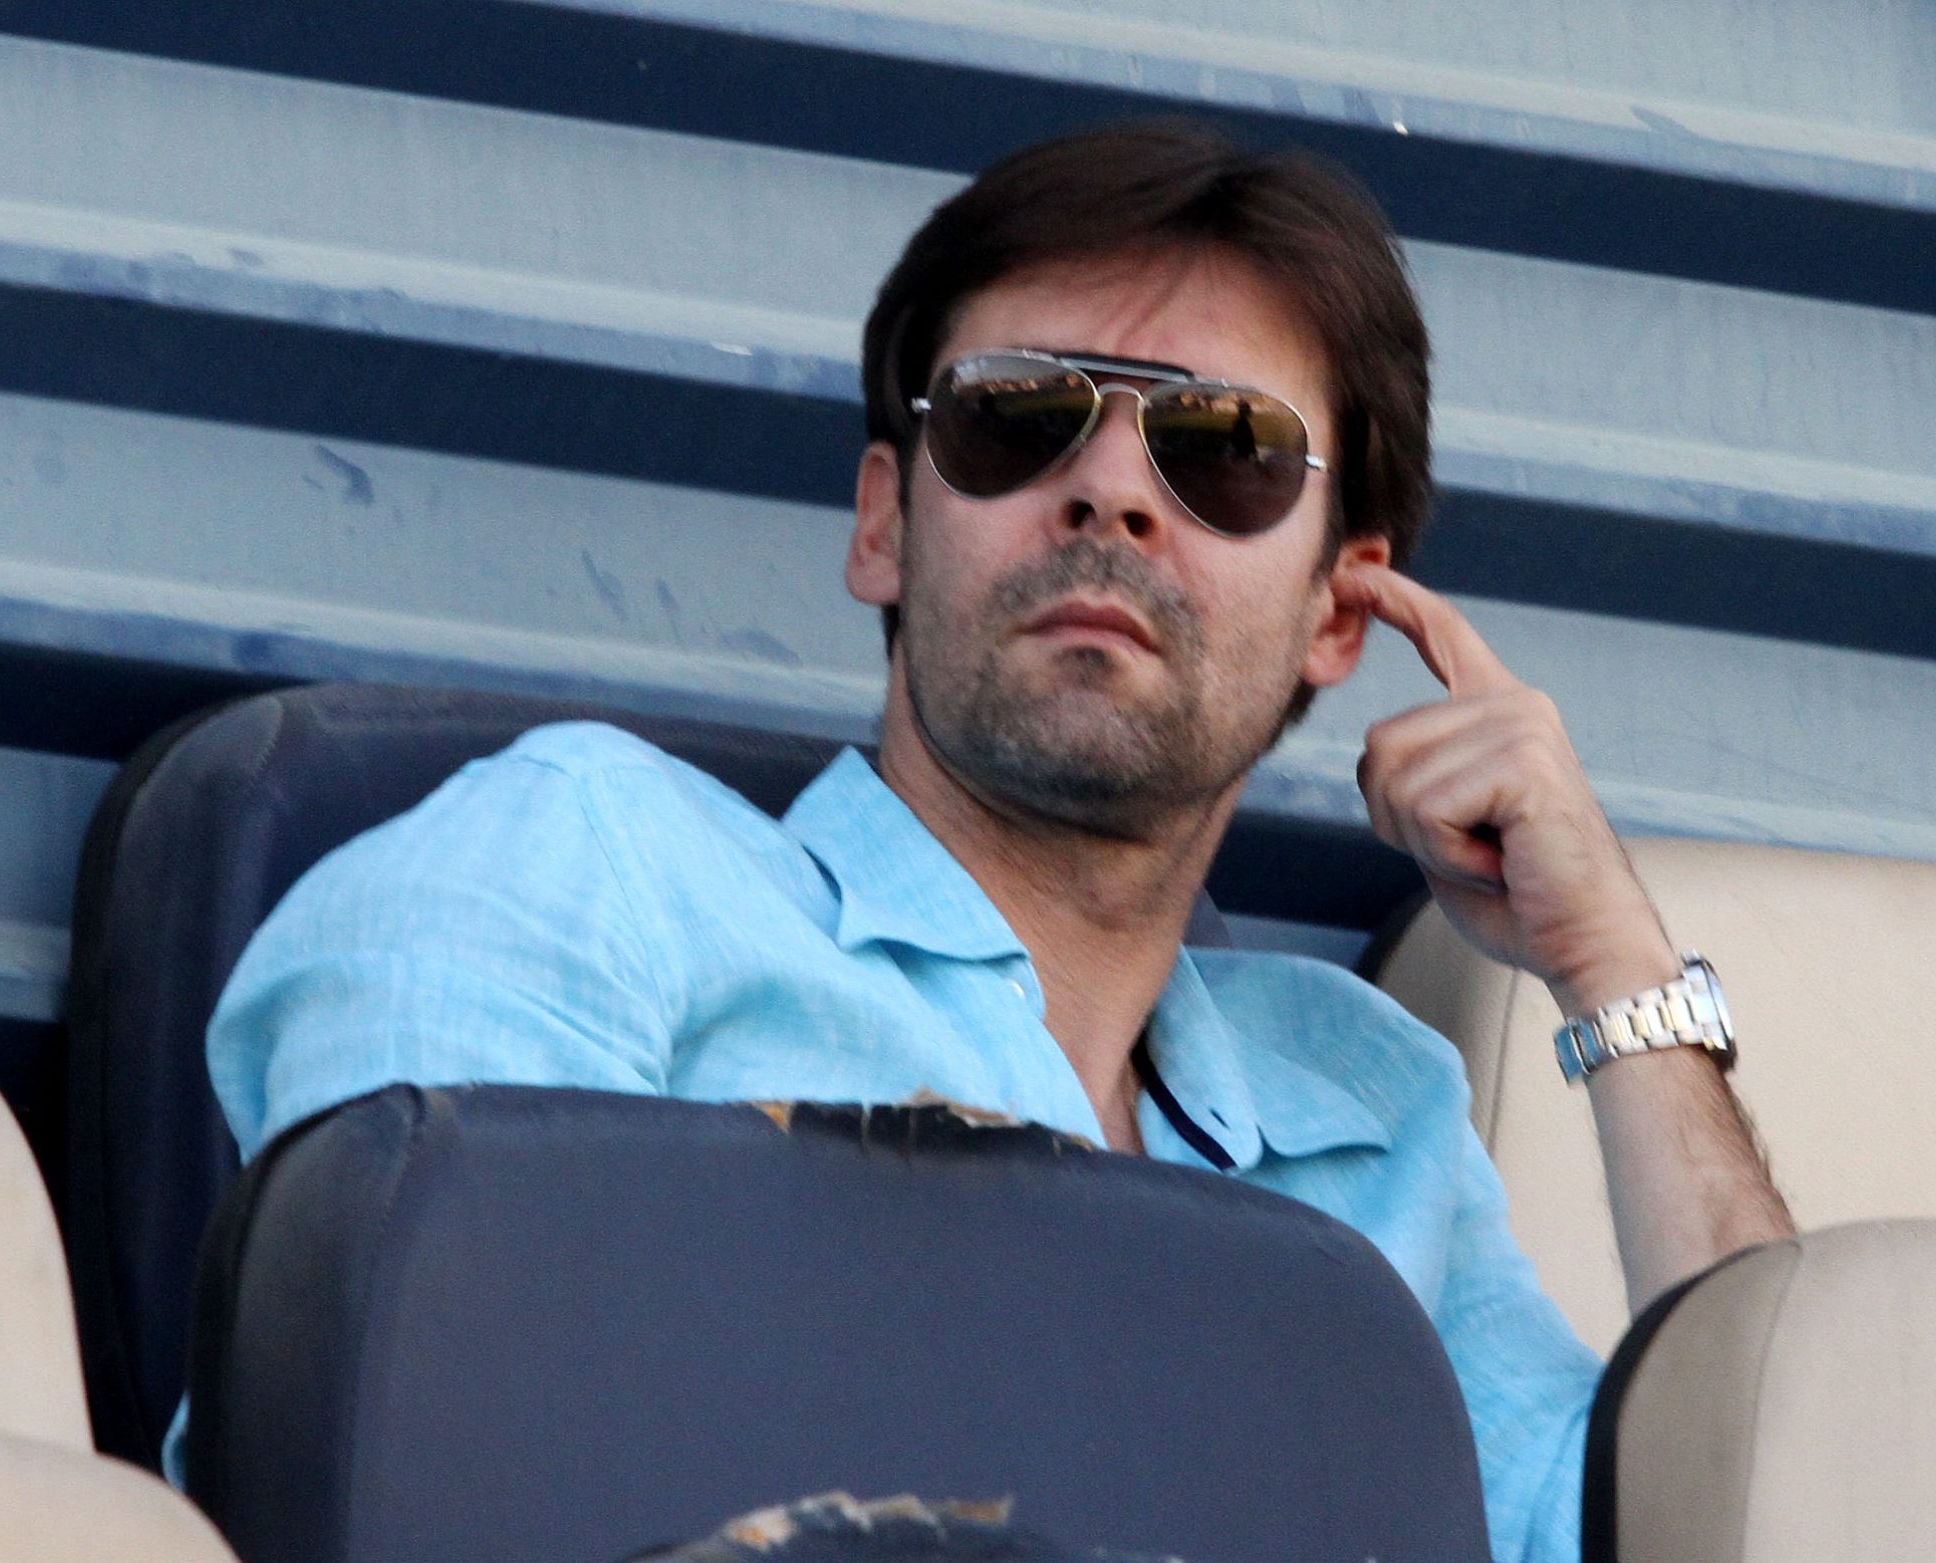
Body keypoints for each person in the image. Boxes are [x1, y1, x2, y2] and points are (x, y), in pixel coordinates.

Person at [201, 119, 1793, 1561]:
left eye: (1223, 450)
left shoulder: (1376, 1125)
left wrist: (1614, 969)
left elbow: (1738, 1522)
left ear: (1338, 610)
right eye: (1019, 416)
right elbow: (400, 1470)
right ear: (885, 524)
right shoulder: (586, 864)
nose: (1110, 490)